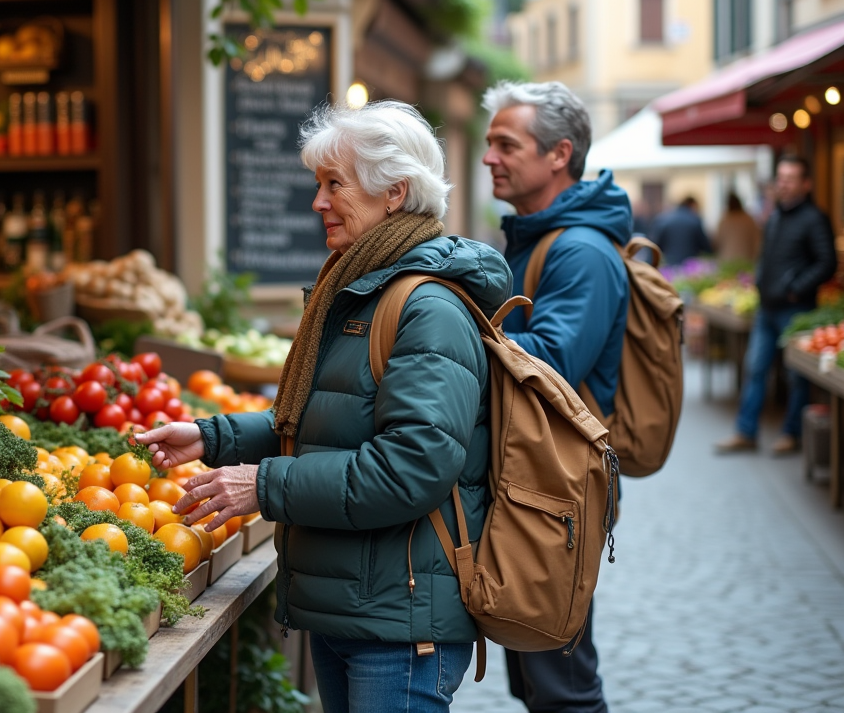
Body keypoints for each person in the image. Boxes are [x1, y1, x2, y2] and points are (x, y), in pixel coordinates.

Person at [137, 100, 513, 712]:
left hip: (402, 623)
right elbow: (325, 422)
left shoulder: (427, 311)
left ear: (394, 192)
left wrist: (264, 484)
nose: (318, 202)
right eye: (319, 183)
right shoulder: (357, 291)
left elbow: (409, 468)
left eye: (334, 184)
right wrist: (213, 438)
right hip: (354, 606)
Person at [482, 80, 633, 713]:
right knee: (539, 678)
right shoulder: (543, 238)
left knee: (564, 685)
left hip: (558, 488)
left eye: (506, 144)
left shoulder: (581, 251)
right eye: (489, 143)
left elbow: (556, 365)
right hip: (534, 482)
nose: (490, 157)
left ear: (559, 154)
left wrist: (460, 333)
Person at [716, 156, 837, 456]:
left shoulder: (814, 218)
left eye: (790, 178)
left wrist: (796, 288)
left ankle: (791, 434)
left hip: (794, 309)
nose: (782, 184)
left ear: (805, 184)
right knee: (755, 369)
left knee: (797, 377)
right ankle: (746, 431)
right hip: (766, 307)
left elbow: (827, 263)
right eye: (780, 178)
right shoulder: (775, 216)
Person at [650, 196, 712, 265]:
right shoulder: (694, 220)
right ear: (692, 205)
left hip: (669, 264)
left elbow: (656, 244)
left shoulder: (664, 219)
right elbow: (705, 246)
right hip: (689, 266)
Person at [715, 192, 761, 262]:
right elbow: (757, 242)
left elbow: (716, 242)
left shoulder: (724, 220)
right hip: (746, 260)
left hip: (727, 261)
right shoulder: (748, 219)